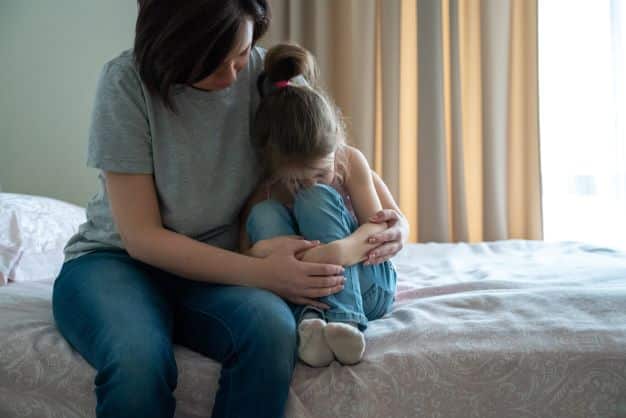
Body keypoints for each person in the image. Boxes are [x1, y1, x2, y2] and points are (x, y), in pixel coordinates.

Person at [52, 1, 409, 417]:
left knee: (272, 332)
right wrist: (261, 272)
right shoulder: (126, 83)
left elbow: (332, 153)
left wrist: (394, 217)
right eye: (215, 63)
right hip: (116, 262)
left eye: (240, 53)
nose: (234, 73)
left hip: (219, 267)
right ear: (171, 48)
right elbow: (141, 238)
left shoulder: (265, 74)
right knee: (137, 362)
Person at [241, 43, 399, 367]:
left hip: (367, 284)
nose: (309, 183)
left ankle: (345, 321)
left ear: (336, 146)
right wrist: (268, 253)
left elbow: (379, 226)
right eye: (297, 181)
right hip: (303, 295)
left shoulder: (349, 161)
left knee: (316, 200)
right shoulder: (268, 188)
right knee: (264, 214)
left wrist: (333, 253)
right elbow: (243, 255)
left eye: (319, 172)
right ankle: (310, 325)